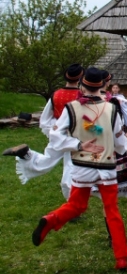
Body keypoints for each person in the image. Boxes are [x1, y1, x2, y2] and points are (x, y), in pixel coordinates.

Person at [29, 67, 127, 271]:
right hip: (107, 166)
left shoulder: (71, 108)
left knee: (77, 205)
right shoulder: (112, 109)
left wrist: (78, 145)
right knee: (112, 210)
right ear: (102, 86)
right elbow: (120, 143)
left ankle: (50, 220)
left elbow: (56, 135)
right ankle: (121, 259)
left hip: (82, 166)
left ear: (82, 86)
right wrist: (126, 141)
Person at [5, 64, 84, 200]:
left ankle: (27, 154)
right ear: (80, 78)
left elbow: (45, 119)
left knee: (47, 159)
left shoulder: (56, 94)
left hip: (58, 133)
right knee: (71, 169)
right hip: (76, 136)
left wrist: (53, 129)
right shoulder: (81, 96)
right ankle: (73, 204)